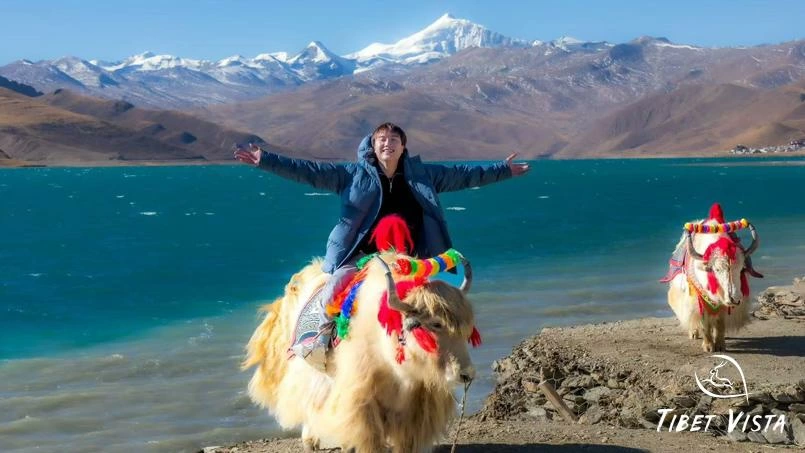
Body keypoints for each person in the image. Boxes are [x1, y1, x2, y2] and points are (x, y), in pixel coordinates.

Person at [234, 122, 529, 370]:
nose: (388, 144)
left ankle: (450, 349)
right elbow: (309, 170)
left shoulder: (423, 175)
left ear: (403, 146)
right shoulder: (351, 176)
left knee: (447, 298)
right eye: (381, 140)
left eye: (394, 140)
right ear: (373, 146)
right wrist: (265, 160)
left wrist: (501, 169)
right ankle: (321, 338)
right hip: (363, 255)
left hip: (412, 258)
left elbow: (464, 174)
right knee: (334, 286)